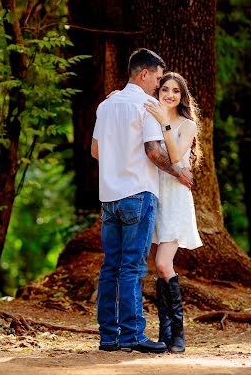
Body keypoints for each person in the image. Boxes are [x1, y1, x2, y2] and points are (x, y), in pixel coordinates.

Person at [91, 49, 193, 353]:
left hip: (108, 197)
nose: (158, 85)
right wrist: (178, 171)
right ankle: (133, 334)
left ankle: (108, 336)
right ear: (144, 74)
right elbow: (152, 151)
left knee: (110, 266)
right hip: (138, 193)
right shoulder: (146, 105)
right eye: (158, 78)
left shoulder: (106, 105)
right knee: (133, 268)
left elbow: (96, 151)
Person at [144, 72, 202, 353]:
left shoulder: (187, 124)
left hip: (176, 196)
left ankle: (178, 332)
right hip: (154, 195)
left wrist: (165, 122)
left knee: (164, 264)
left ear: (182, 96)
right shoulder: (149, 113)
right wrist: (115, 96)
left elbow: (177, 157)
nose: (169, 94)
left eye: (175, 91)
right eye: (164, 88)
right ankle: (165, 332)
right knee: (157, 267)